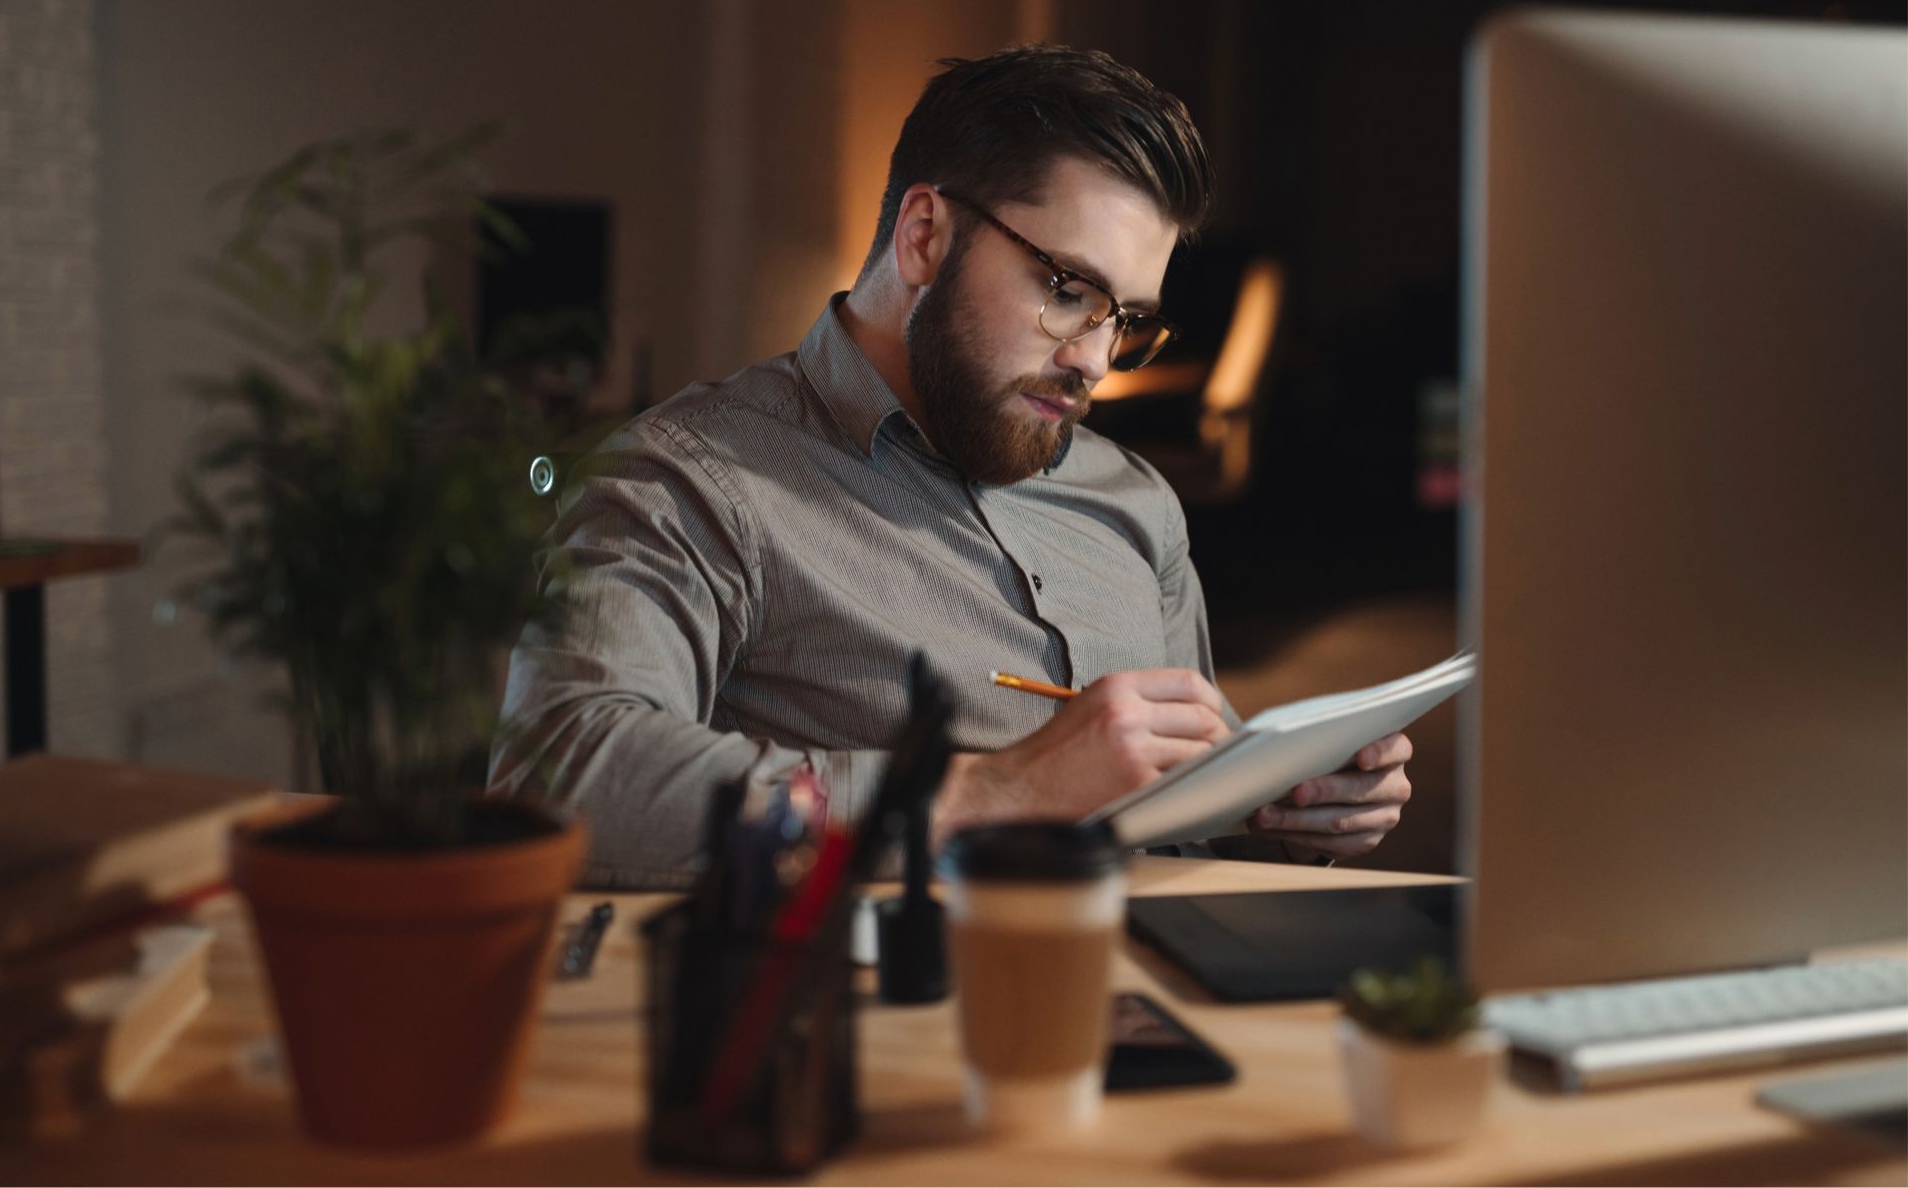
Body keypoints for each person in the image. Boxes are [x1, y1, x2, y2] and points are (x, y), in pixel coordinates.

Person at [492, 46, 1412, 889]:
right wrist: (1001, 791)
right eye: (1066, 291)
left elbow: (1175, 832)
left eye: (1124, 318)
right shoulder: (690, 481)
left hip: (1150, 998)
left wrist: (1280, 811)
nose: (1095, 361)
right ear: (925, 234)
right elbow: (564, 776)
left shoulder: (1136, 501)